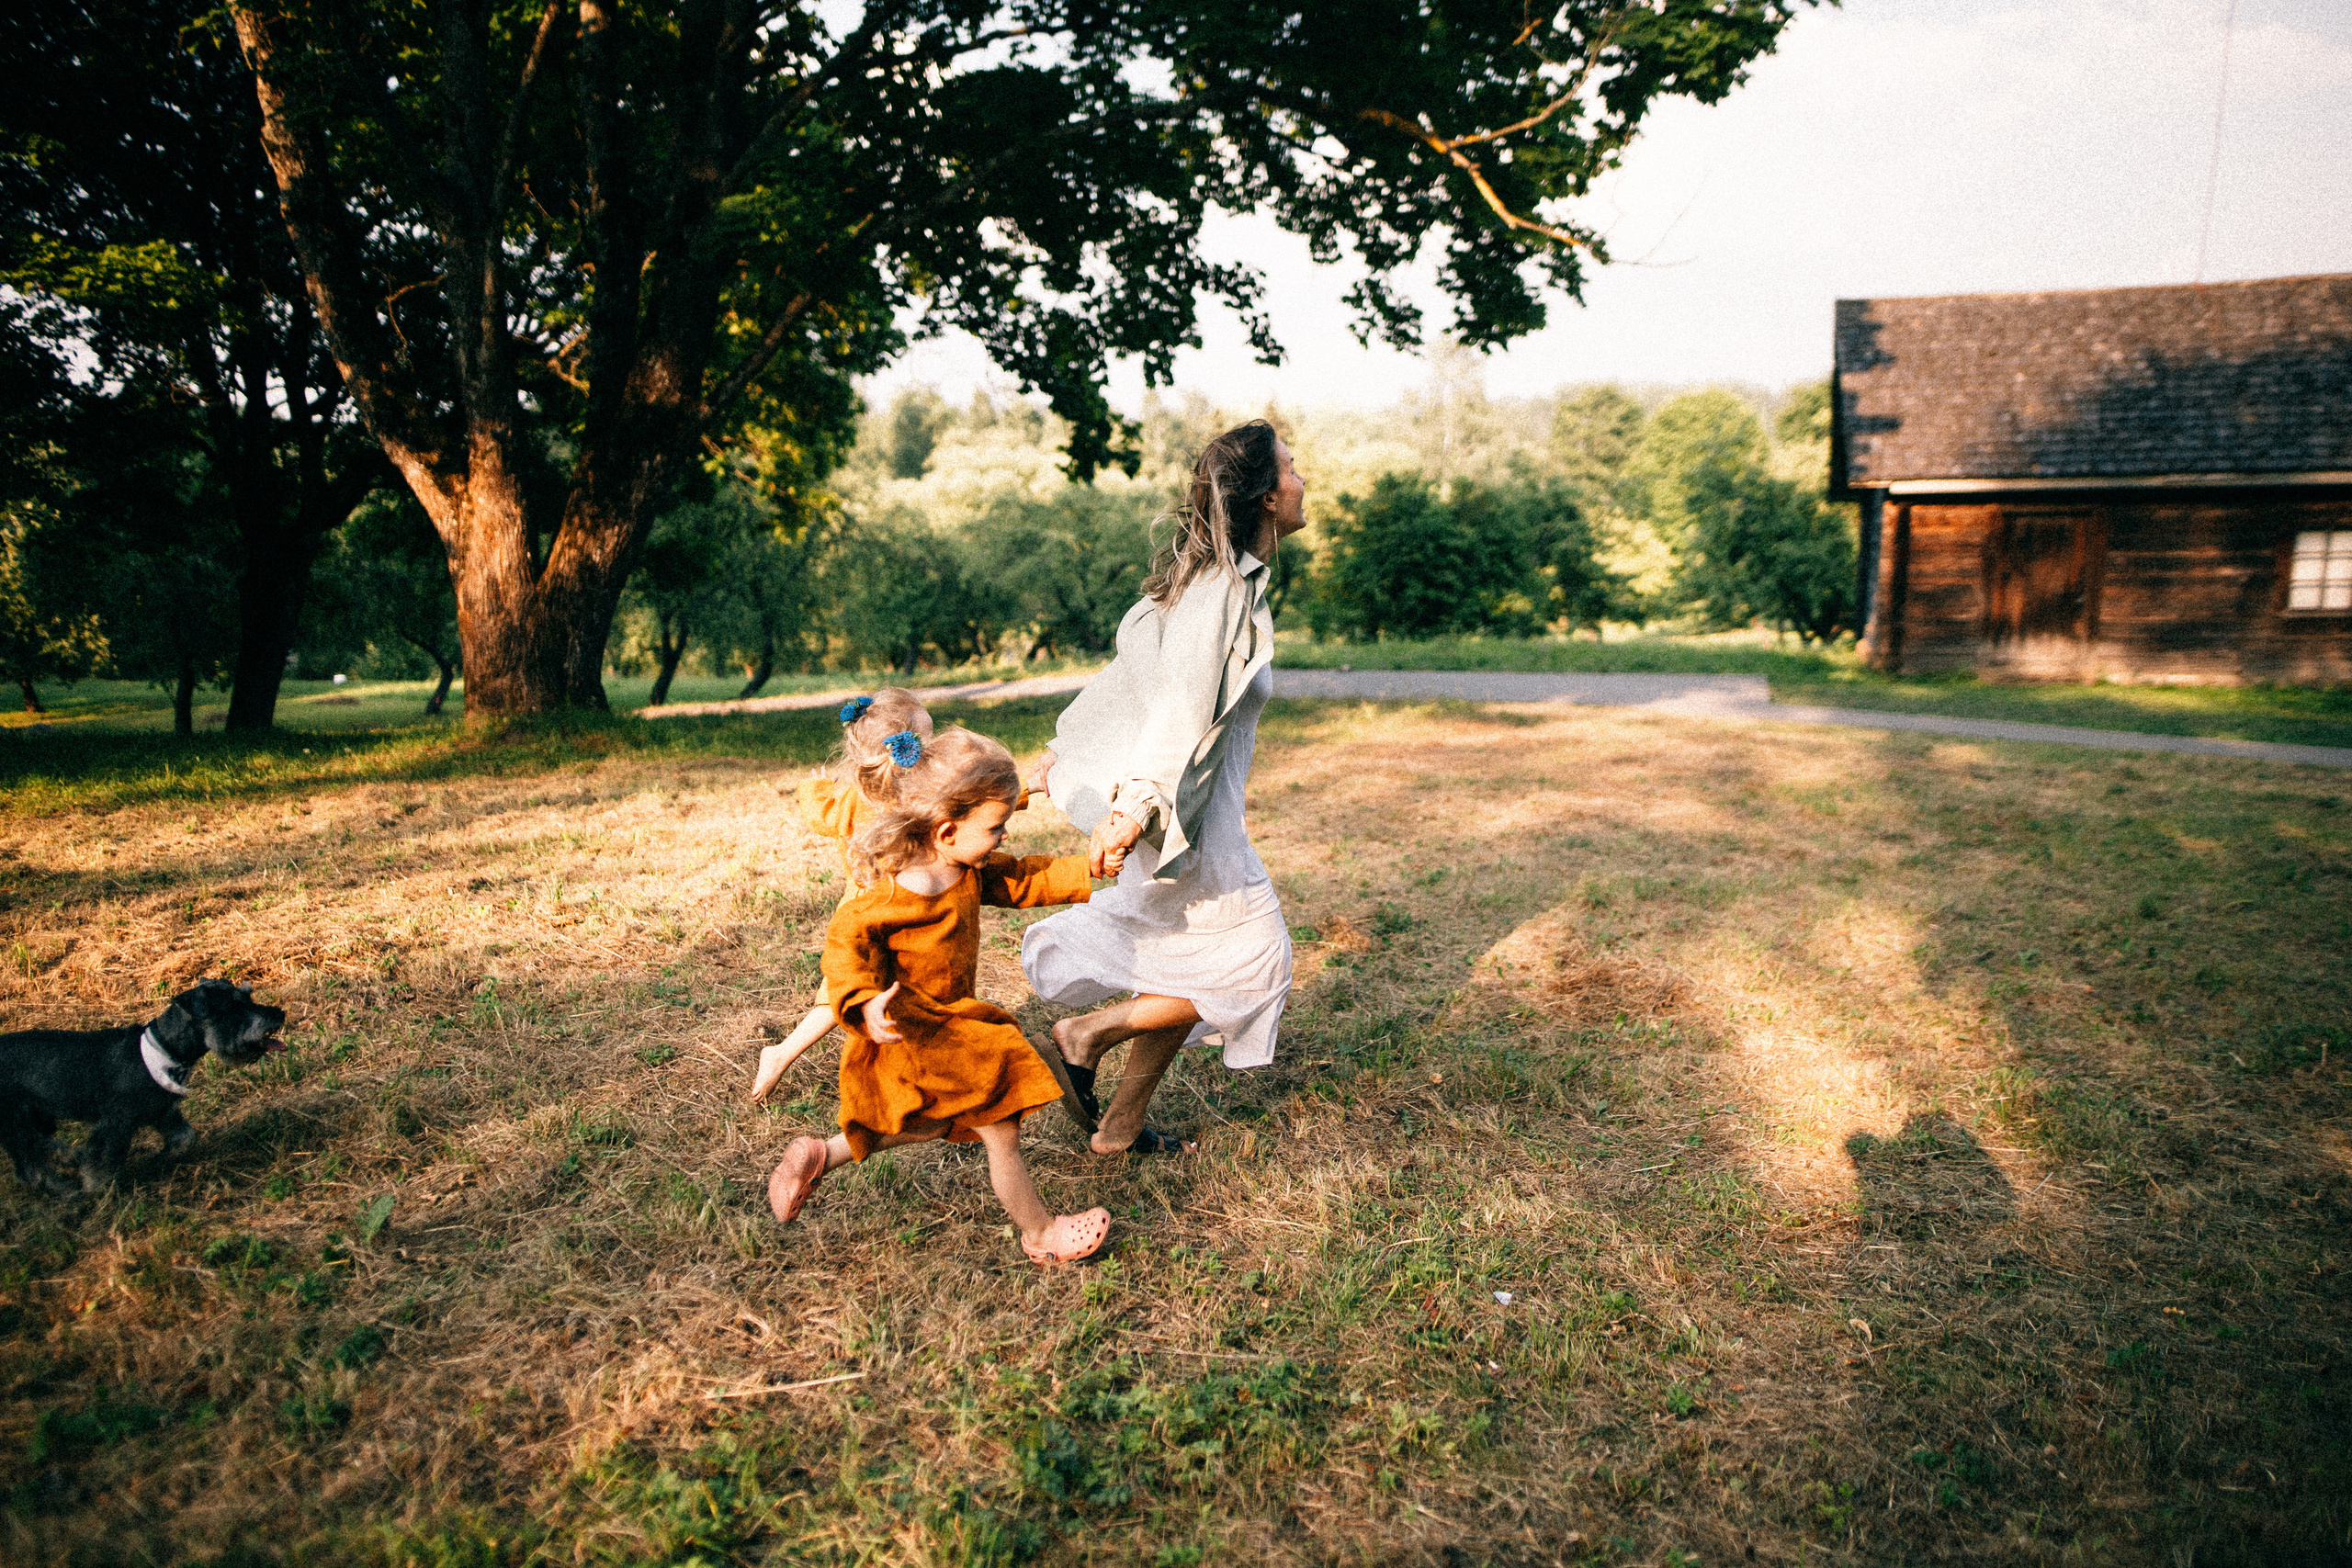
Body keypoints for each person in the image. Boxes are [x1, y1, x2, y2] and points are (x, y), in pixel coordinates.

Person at [1020, 419, 1306, 1155]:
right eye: (1293, 469)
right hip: (1184, 819)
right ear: (1268, 496)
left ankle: (1118, 1127)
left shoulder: (1217, 584)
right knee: (1255, 960)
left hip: (1188, 812)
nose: (1305, 481)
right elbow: (1176, 707)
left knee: (1194, 958)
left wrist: (1066, 753)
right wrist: (1131, 805)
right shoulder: (1218, 592)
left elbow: (1130, 681)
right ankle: (1085, 1033)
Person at [765, 726, 1112, 1266]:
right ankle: (1041, 1233)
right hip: (916, 1032)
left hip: (947, 1030)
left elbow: (1024, 878)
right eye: (996, 827)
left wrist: (1087, 869)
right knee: (999, 1126)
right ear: (947, 831)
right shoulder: (885, 899)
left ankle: (820, 1155)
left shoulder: (965, 868)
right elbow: (843, 953)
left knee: (928, 1121)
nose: (1002, 837)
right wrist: (862, 1001)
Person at [749, 688, 935, 1103]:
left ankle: (916, 1069)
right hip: (873, 913)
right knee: (841, 994)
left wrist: (816, 787)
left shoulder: (856, 792)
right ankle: (780, 1054)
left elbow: (822, 816)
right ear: (900, 748)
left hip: (890, 908)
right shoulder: (904, 795)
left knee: (890, 991)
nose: (930, 749)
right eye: (925, 740)